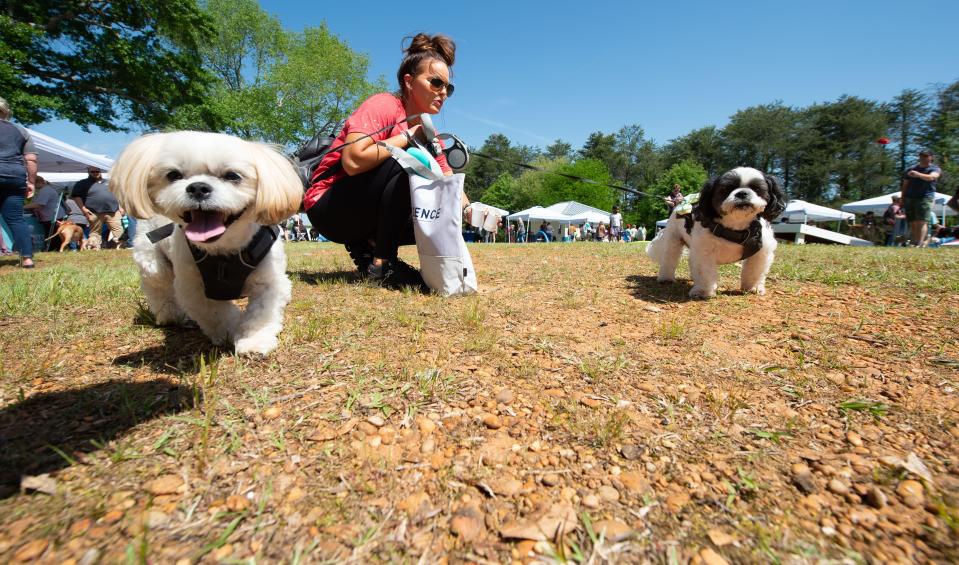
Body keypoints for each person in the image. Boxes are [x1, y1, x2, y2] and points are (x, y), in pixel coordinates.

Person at [303, 33, 467, 287]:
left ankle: (369, 247)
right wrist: (408, 137)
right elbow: (353, 161)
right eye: (436, 83)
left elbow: (449, 186)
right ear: (409, 82)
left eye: (448, 87)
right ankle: (383, 262)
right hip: (329, 207)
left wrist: (473, 209)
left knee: (441, 203)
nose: (443, 92)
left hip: (361, 213)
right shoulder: (384, 105)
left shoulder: (430, 135)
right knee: (412, 160)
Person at [0, 97, 38, 267]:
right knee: (16, 219)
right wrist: (31, 182)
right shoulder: (21, 130)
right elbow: (31, 159)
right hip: (15, 176)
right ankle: (28, 258)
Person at [71, 166, 123, 249]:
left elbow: (118, 195)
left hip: (113, 211)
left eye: (97, 171)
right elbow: (76, 197)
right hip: (94, 212)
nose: (95, 173)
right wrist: (84, 209)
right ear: (88, 172)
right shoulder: (82, 183)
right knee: (95, 233)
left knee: (119, 231)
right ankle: (94, 248)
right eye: (93, 171)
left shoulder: (109, 182)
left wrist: (121, 207)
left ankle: (117, 246)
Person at [901, 150, 941, 247]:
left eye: (926, 156)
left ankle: (920, 243)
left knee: (922, 221)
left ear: (931, 157)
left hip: (925, 197)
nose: (923, 158)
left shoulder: (935, 168)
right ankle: (915, 241)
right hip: (910, 197)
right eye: (921, 156)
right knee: (913, 222)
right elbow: (905, 185)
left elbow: (932, 177)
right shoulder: (910, 169)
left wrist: (918, 174)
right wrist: (902, 198)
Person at [23, 176, 65, 251]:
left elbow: (39, 204)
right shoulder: (45, 190)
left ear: (38, 182)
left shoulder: (45, 191)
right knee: (52, 234)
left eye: (33, 184)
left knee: (52, 234)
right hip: (51, 216)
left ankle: (53, 249)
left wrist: (23, 207)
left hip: (53, 217)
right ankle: (53, 249)